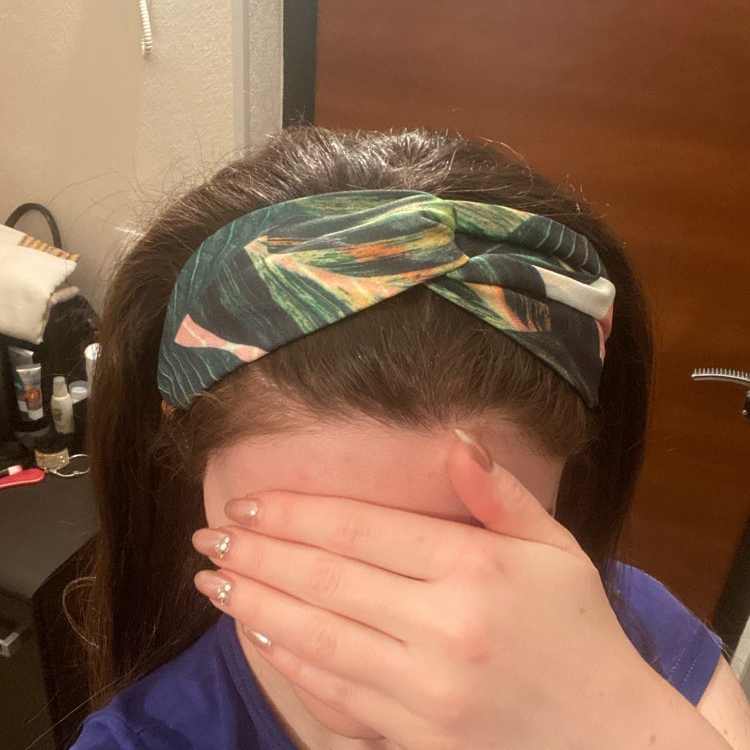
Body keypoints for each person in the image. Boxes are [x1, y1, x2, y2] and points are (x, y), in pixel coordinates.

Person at [71, 127, 749, 750]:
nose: (422, 676)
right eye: (306, 568)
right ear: (185, 451)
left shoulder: (633, 631)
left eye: (473, 565)